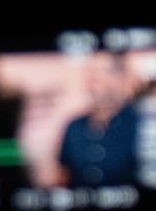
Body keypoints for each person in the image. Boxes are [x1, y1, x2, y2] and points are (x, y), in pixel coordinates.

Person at [52, 52, 140, 188]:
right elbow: (63, 177)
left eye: (104, 71)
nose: (94, 79)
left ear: (122, 79)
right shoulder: (74, 126)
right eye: (91, 72)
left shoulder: (141, 123)